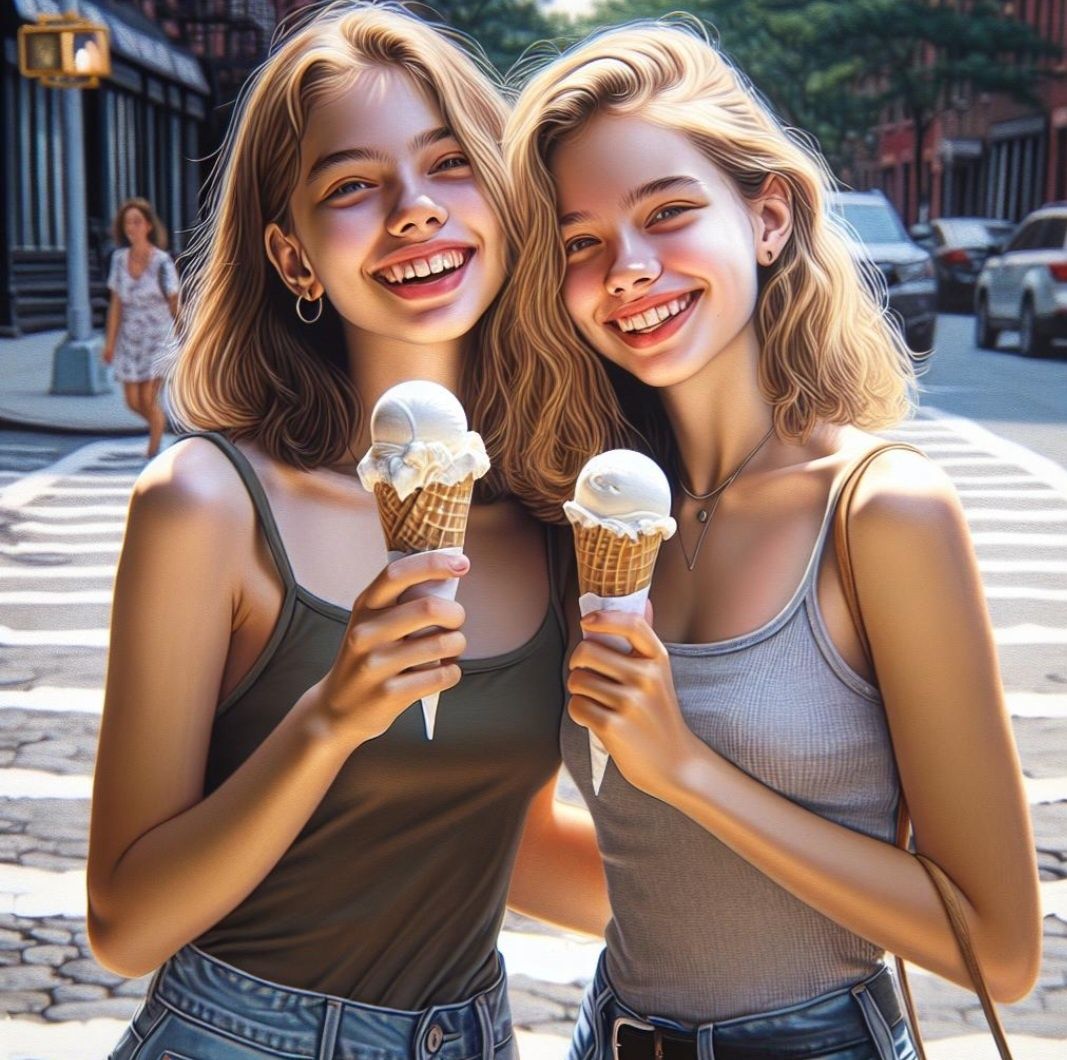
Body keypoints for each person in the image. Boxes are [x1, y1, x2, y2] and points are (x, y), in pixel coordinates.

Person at [495, 20, 1041, 1060]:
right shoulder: (578, 525)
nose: (628, 268)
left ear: (767, 217)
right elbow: (526, 853)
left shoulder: (880, 513)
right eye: (581, 242)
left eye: (668, 213)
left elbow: (998, 947)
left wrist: (686, 770)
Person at [88, 5, 606, 1059]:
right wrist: (330, 716)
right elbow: (123, 922)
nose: (413, 210)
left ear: (506, 204)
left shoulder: (551, 520)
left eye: (449, 164)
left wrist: (783, 882)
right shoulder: (207, 503)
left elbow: (498, 843)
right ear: (292, 256)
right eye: (352, 186)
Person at [102, 197, 178, 459]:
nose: (131, 228)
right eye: (127, 223)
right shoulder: (119, 260)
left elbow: (174, 302)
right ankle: (158, 423)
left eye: (137, 222)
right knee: (132, 401)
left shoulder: (163, 262)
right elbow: (116, 305)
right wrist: (110, 343)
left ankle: (153, 448)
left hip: (158, 338)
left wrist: (185, 337)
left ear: (148, 226)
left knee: (147, 398)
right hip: (130, 340)